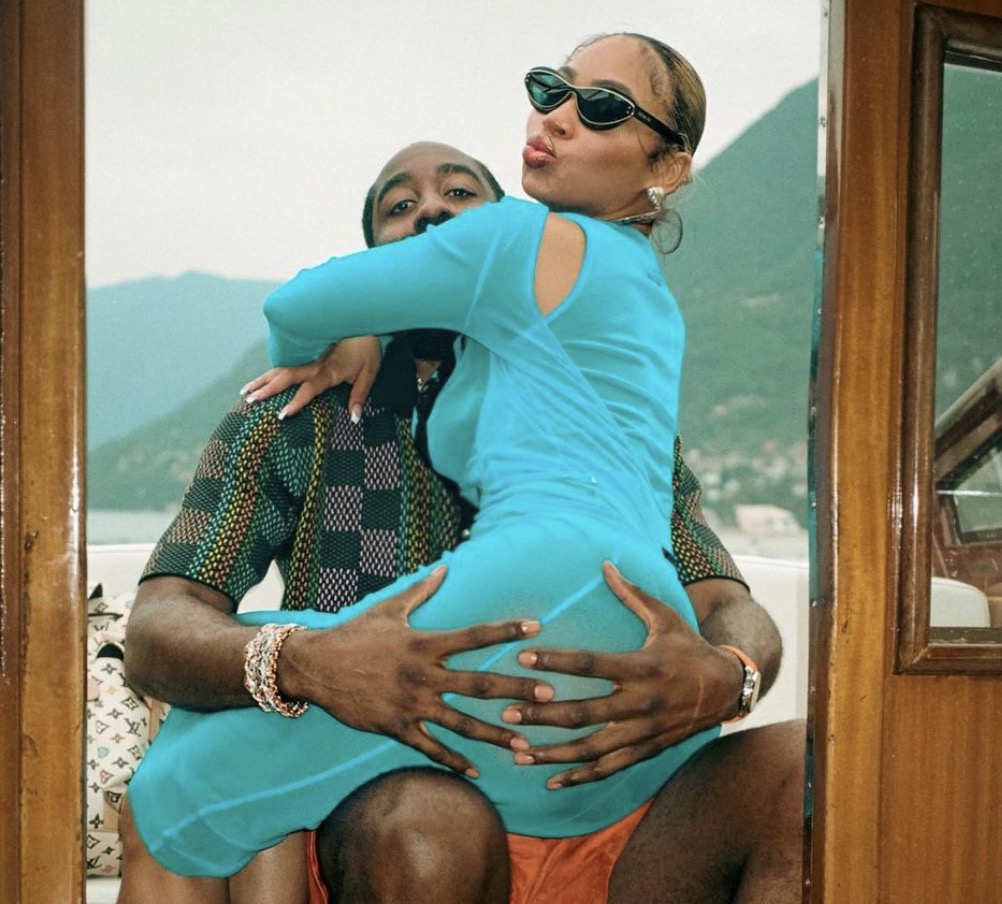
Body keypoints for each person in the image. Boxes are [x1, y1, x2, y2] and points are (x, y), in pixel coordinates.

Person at [120, 34, 802, 904]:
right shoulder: (293, 417)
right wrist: (306, 662)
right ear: (382, 256)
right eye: (401, 207)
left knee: (807, 767)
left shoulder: (589, 415)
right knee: (427, 823)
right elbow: (159, 628)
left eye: (459, 196)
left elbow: (726, 603)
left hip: (599, 800)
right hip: (401, 818)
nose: (434, 217)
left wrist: (729, 677)